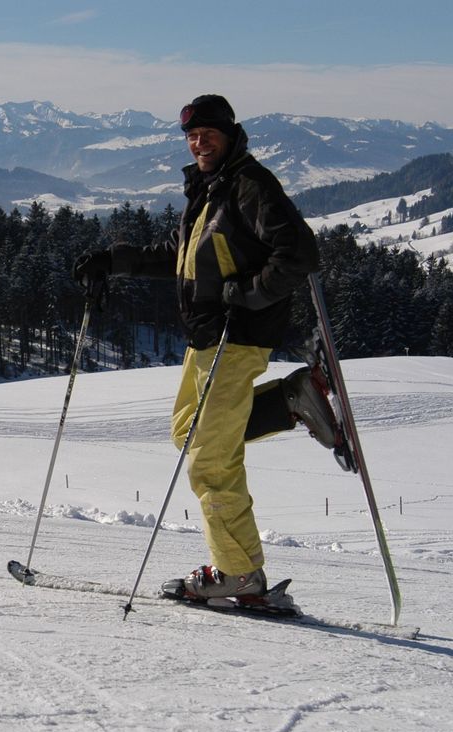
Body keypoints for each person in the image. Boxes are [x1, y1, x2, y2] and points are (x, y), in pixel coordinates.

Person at [72, 94, 334, 601]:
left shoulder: (250, 185)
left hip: (237, 338)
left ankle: (238, 574)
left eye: (208, 134)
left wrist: (250, 293)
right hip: (208, 339)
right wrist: (113, 260)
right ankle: (291, 400)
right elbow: (182, 256)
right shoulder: (212, 189)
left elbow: (300, 252)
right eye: (192, 136)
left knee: (210, 465)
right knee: (188, 436)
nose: (198, 143)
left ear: (230, 134)